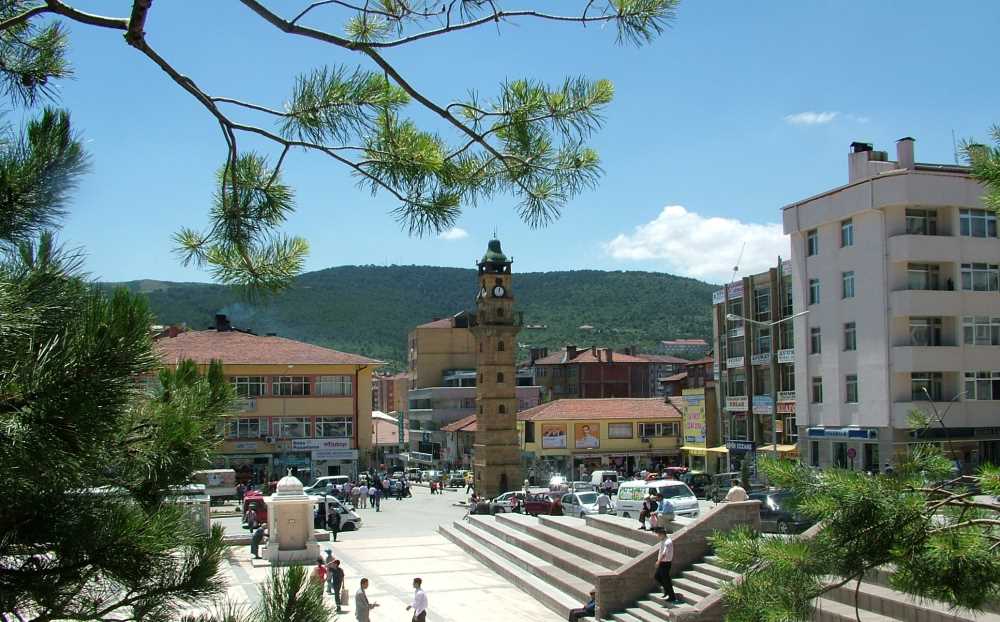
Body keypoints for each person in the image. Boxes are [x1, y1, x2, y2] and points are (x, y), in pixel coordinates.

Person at [653, 527, 683, 603]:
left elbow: (664, 553)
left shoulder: (668, 542)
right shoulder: (663, 540)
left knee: (666, 580)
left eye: (658, 535)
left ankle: (672, 597)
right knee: (657, 576)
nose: (657, 536)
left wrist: (658, 561)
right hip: (662, 563)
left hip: (665, 563)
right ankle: (666, 590)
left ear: (662, 534)